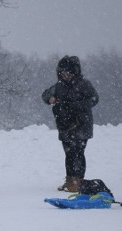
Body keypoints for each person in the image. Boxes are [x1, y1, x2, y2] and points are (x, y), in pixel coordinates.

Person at [41, 55, 99, 193]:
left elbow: (94, 99)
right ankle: (69, 180)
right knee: (68, 154)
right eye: (62, 72)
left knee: (78, 153)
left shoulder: (84, 85)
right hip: (65, 126)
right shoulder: (59, 86)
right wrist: (50, 98)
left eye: (67, 72)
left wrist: (75, 106)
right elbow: (45, 94)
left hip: (81, 125)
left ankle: (78, 181)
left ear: (74, 71)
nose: (64, 75)